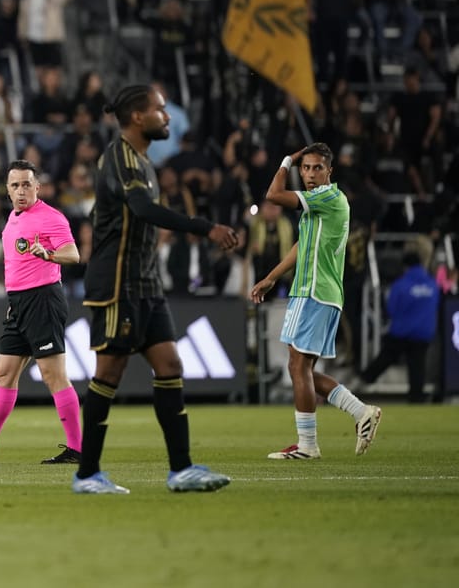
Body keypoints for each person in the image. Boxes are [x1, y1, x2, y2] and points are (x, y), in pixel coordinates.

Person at [72, 85, 239, 494]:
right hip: (118, 285)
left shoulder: (144, 162)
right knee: (108, 374)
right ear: (136, 118)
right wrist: (205, 227)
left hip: (146, 284)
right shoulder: (120, 156)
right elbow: (143, 210)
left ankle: (180, 469)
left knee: (170, 366)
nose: (166, 118)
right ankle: (86, 474)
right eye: (160, 111)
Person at [0, 160, 84, 465]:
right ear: (7, 190)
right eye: (15, 186)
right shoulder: (13, 216)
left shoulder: (52, 218)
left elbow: (73, 254)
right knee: (4, 373)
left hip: (43, 300)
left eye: (26, 184)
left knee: (53, 375)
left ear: (38, 187)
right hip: (19, 303)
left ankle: (77, 449)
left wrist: (48, 254)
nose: (21, 191)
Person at [252, 143, 382, 459]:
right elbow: (302, 244)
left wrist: (287, 159)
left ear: (329, 172)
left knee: (297, 366)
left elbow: (272, 195)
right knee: (302, 368)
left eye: (317, 168)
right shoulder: (317, 205)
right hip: (315, 292)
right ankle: (360, 411)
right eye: (305, 168)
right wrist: (271, 277)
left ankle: (308, 444)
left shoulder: (328, 197)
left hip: (315, 292)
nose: (310, 174)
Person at [354, 243, 440, 403]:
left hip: (402, 332)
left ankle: (363, 381)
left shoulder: (401, 284)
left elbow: (392, 309)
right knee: (417, 367)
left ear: (406, 266)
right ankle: (416, 399)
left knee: (385, 358)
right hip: (423, 333)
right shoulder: (432, 284)